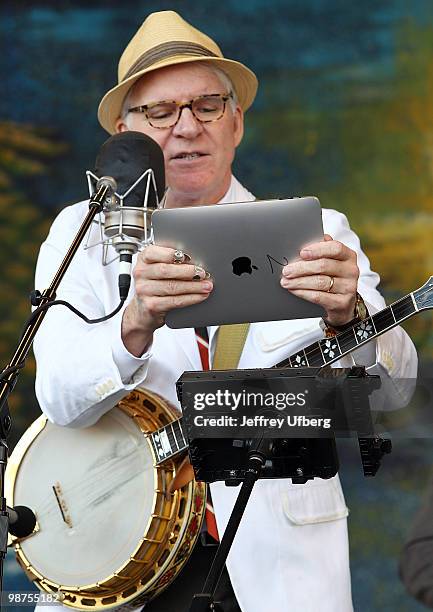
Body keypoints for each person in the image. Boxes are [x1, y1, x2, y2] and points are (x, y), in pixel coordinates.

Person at [32, 10, 418, 612]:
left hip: (279, 567)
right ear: (126, 135)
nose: (186, 128)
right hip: (125, 560)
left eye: (207, 105)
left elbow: (395, 392)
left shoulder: (319, 232)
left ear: (236, 123)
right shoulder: (80, 236)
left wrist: (352, 320)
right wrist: (132, 324)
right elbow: (57, 396)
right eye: (160, 113)